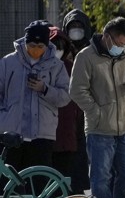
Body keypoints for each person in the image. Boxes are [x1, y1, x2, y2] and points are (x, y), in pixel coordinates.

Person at [69, 17, 125, 198]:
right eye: (119, 43)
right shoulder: (85, 57)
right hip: (99, 129)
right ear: (107, 37)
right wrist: (95, 111)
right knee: (100, 178)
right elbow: (76, 90)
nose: (122, 48)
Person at [0, 20, 71, 170]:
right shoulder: (8, 63)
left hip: (42, 134)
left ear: (47, 45)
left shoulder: (56, 66)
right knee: (9, 184)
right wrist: (4, 116)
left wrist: (44, 89)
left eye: (40, 46)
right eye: (32, 46)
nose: (36, 50)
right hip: (11, 133)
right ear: (25, 42)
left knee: (38, 182)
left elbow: (65, 96)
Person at [61, 9, 93, 192]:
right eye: (72, 26)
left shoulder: (92, 50)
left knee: (82, 155)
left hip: (86, 110)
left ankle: (78, 193)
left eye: (80, 26)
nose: (76, 30)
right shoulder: (61, 49)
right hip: (67, 111)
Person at [49, 27, 84, 187]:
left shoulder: (71, 66)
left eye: (61, 47)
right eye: (54, 46)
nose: (58, 50)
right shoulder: (41, 67)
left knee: (67, 171)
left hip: (68, 128)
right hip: (47, 130)